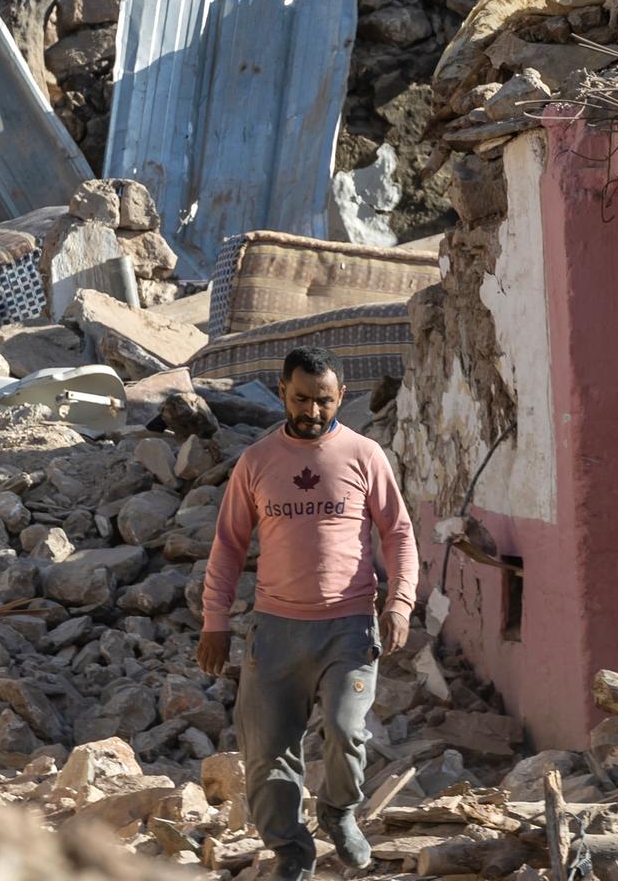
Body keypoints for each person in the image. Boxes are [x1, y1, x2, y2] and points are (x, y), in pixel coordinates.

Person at [197, 346, 419, 880]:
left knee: (347, 731)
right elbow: (229, 546)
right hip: (275, 630)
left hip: (348, 627)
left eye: (324, 400)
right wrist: (215, 621)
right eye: (301, 399)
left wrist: (400, 602)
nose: (313, 411)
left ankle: (339, 811)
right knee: (267, 753)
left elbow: (399, 532)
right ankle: (291, 851)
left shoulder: (365, 454)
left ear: (342, 395)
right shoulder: (256, 462)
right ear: (282, 393)